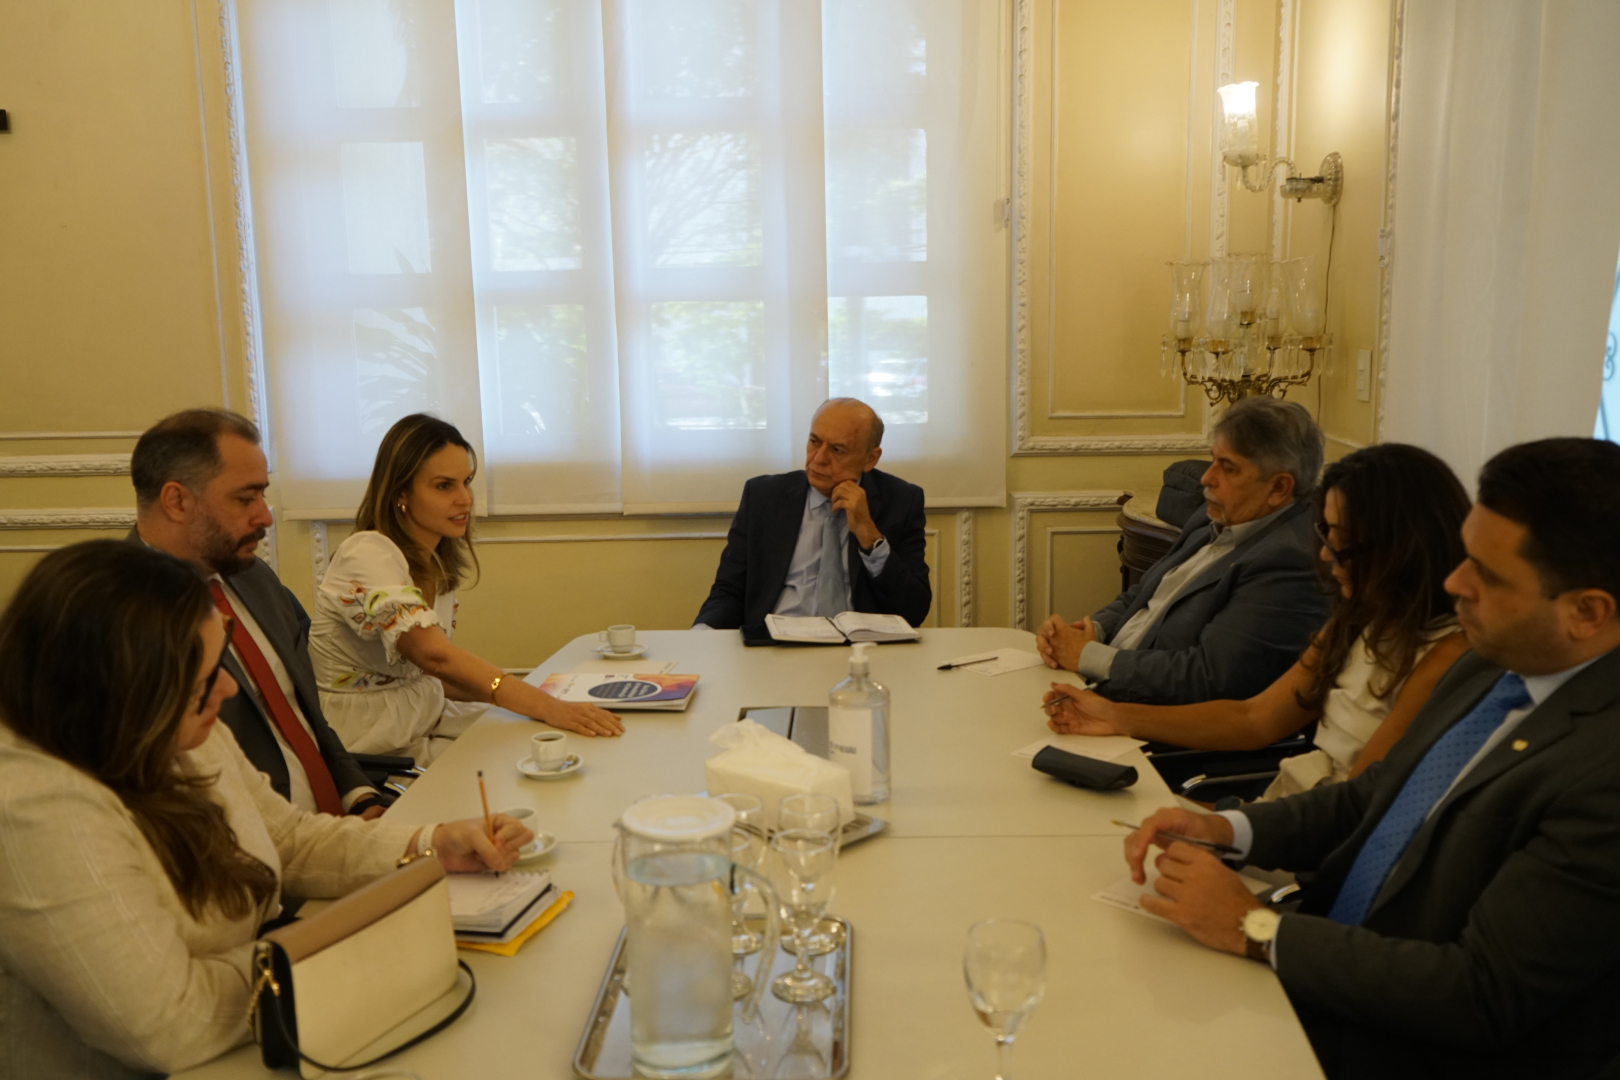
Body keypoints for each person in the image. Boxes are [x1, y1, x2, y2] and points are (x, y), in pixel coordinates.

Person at [1121, 437, 1620, 1079]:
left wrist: (1255, 926)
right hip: (1327, 961)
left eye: (1488, 575)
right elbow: (1371, 795)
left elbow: (1478, 993)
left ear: (1588, 612)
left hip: (1402, 1044)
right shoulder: (1491, 664)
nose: (1454, 583)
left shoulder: (1603, 772)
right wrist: (1225, 829)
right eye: (1465, 554)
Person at [0, 541, 531, 1078]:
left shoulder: (172, 728)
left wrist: (432, 845)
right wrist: (331, 954)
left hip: (255, 1036)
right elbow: (167, 1022)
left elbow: (289, 838)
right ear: (124, 691)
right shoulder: (37, 811)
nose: (228, 688)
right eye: (206, 677)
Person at [1042, 444, 1471, 800]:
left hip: (1312, 844)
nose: (1325, 554)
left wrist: (1229, 831)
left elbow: (1356, 807)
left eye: (1342, 541)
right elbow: (1253, 718)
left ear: (1402, 547)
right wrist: (1115, 716)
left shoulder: (1446, 656)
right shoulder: (1355, 622)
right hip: (1283, 813)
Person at [311, 414, 622, 760]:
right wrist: (545, 705)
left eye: (466, 482)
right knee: (534, 754)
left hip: (425, 723)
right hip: (374, 748)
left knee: (554, 739)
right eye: (445, 485)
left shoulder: (435, 563)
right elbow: (435, 656)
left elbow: (426, 678)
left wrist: (541, 701)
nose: (465, 499)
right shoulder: (365, 553)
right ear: (401, 492)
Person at [131, 409, 388, 817]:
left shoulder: (252, 575)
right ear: (177, 501)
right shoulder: (124, 617)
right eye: (245, 498)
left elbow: (304, 713)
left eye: (263, 495)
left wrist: (359, 795)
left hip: (340, 824)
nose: (265, 516)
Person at [1036, 396, 1332, 705]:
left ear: (1279, 488)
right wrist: (1088, 631)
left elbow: (1209, 678)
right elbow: (1141, 597)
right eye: (1213, 459)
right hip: (1101, 686)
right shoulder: (1213, 515)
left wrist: (1087, 656)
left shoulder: (1290, 561)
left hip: (1151, 725)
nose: (1206, 478)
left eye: (1227, 468)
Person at [694, 397, 931, 630]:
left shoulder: (901, 501)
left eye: (837, 450)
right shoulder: (763, 497)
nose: (818, 459)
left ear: (871, 459)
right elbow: (729, 591)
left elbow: (914, 611)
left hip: (861, 649)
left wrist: (870, 535)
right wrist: (702, 635)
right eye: (814, 442)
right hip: (774, 646)